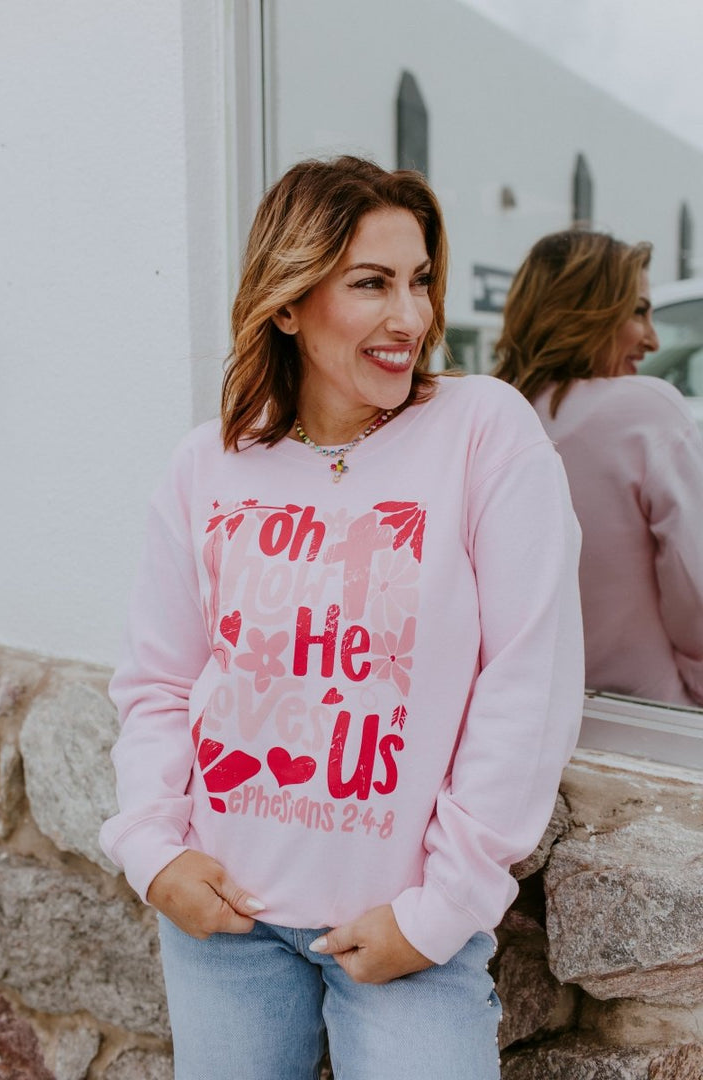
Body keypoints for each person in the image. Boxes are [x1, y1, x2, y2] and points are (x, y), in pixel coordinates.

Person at [100, 156, 583, 1080]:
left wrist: (440, 910)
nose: (412, 317)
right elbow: (160, 681)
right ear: (288, 303)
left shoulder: (483, 431)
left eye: (420, 280)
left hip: (404, 927)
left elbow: (530, 679)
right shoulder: (209, 465)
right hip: (225, 923)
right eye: (371, 284)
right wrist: (155, 853)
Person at [494, 229, 703, 708]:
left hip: (524, 711)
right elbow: (695, 585)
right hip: (648, 712)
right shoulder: (647, 412)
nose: (652, 339)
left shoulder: (486, 418)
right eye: (638, 311)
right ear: (588, 310)